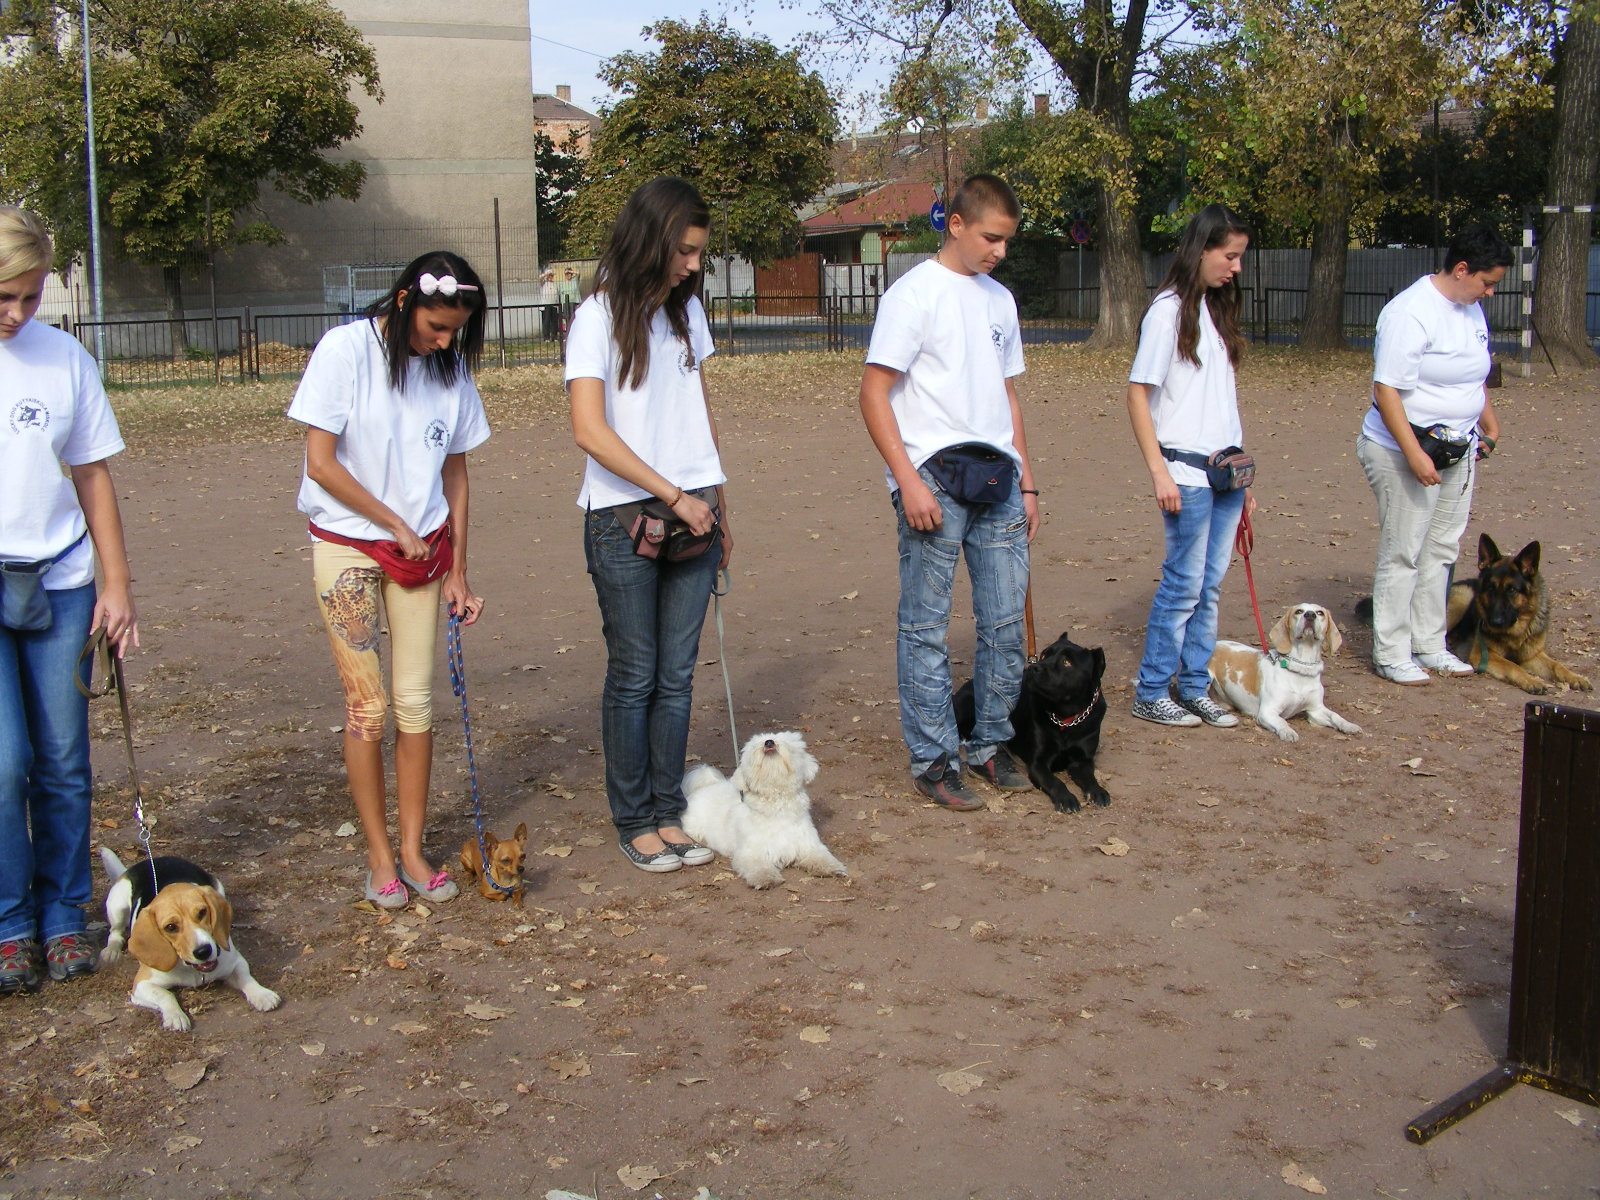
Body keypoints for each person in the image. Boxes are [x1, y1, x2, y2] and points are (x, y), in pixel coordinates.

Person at [289, 251, 491, 907]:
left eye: (454, 331)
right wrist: (390, 523)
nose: (443, 341)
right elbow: (321, 464)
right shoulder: (345, 351)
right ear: (406, 302)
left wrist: (458, 567)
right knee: (367, 708)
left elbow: (455, 472)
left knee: (416, 705)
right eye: (435, 327)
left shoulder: (451, 369)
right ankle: (378, 857)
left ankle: (412, 849)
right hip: (347, 545)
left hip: (424, 551)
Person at [859, 173, 1041, 812]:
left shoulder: (1000, 300)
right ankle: (935, 758)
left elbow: (1007, 393)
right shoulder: (914, 296)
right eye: (991, 237)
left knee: (1002, 622)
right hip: (934, 480)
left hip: (999, 479)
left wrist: (1029, 480)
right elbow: (874, 392)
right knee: (926, 629)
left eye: (1008, 242)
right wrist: (907, 480)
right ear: (956, 224)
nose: (999, 251)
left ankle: (991, 742)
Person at [566, 177, 732, 873]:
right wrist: (672, 494)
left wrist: (722, 508)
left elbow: (697, 419)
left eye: (699, 253)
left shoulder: (688, 316)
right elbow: (589, 431)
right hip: (622, 521)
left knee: (678, 676)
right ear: (654, 238)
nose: (695, 265)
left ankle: (668, 811)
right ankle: (633, 818)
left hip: (697, 514)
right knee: (635, 675)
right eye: (686, 251)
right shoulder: (597, 318)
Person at [0, 206, 139, 993]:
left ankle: (64, 917)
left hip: (58, 579)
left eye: (29, 296)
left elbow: (92, 475)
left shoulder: (64, 359)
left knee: (60, 761)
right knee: (3, 763)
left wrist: (116, 587)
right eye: (3, 298)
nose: (18, 314)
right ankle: (11, 923)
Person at [1358, 226, 1510, 686]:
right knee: (1404, 551)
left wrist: (1490, 422)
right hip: (1405, 448)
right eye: (1486, 282)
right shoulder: (1410, 312)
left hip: (1458, 447)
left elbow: (1472, 374)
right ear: (1461, 269)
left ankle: (1429, 643)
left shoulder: (1471, 309)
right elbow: (1386, 390)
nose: (1489, 291)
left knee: (1442, 548)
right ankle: (1391, 651)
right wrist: (1414, 455)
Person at [1126, 203, 1255, 729]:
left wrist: (1244, 476)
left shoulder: (1216, 312)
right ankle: (1153, 689)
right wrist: (1159, 471)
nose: (1236, 267)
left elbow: (1221, 402)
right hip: (1186, 476)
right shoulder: (1167, 312)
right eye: (1229, 255)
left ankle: (1194, 685)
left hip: (1226, 475)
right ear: (1201, 250)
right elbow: (1138, 395)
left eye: (1240, 257)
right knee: (1183, 585)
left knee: (1210, 585)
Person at [539, 269, 559, 340]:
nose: (550, 277)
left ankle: (554, 336)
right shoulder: (543, 283)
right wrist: (546, 274)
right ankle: (546, 337)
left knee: (554, 321)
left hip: (554, 304)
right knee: (546, 321)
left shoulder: (554, 284)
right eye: (549, 275)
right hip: (546, 304)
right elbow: (539, 278)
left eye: (551, 275)